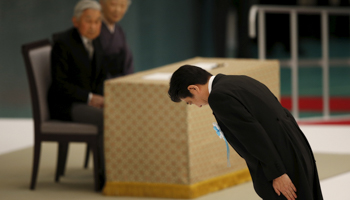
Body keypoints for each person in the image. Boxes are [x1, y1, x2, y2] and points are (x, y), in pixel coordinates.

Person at [168, 65, 323, 200]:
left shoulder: (219, 97)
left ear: (193, 88)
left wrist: (277, 173)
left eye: (190, 101)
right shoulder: (240, 80)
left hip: (282, 160)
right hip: (297, 146)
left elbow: (253, 136)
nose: (197, 106)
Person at [47, 0, 106, 189]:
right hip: (65, 105)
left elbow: (99, 78)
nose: (94, 26)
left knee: (119, 112)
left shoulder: (97, 42)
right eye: (88, 21)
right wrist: (90, 98)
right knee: (106, 118)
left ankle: (123, 170)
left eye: (97, 21)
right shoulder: (63, 43)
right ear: (76, 21)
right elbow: (60, 84)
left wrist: (103, 97)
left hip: (85, 102)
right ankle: (104, 177)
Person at [99, 0, 134, 79]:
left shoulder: (119, 30)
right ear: (102, 3)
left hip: (121, 83)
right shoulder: (95, 31)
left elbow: (128, 60)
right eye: (113, 5)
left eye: (122, 6)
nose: (117, 10)